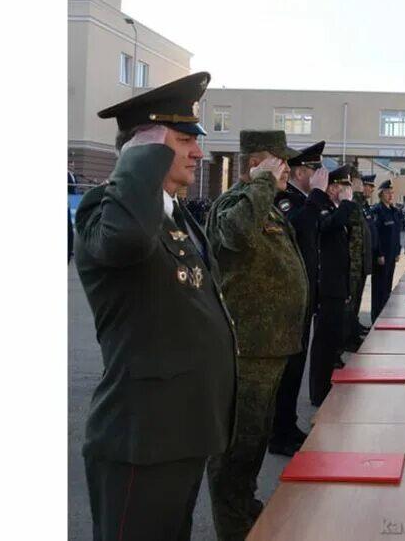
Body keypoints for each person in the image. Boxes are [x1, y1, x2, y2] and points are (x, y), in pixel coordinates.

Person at [74, 72, 237, 541]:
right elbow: (125, 241)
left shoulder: (174, 214)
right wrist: (142, 157)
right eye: (184, 139)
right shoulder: (103, 209)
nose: (199, 152)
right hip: (140, 441)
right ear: (145, 146)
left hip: (181, 431)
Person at [204, 130, 309, 541]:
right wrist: (264, 182)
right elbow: (236, 234)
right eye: (280, 162)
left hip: (269, 349)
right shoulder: (235, 203)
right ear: (255, 165)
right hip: (248, 349)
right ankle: (234, 527)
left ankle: (245, 515)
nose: (289, 169)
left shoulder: (265, 205)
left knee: (253, 444)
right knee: (236, 451)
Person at [269, 141, 330, 457]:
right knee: (289, 367)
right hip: (289, 299)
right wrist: (318, 197)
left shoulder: (306, 200)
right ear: (301, 171)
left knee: (297, 366)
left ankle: (288, 425)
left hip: (305, 294)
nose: (321, 177)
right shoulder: (285, 199)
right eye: (316, 170)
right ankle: (279, 433)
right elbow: (294, 229)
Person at [309, 165, 357, 406]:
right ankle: (318, 392)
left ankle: (325, 386)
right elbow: (328, 227)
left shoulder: (336, 210)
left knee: (332, 341)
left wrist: (347, 289)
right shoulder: (322, 208)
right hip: (326, 287)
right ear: (331, 188)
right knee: (323, 342)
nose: (345, 191)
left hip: (337, 285)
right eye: (340, 186)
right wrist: (346, 205)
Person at [343, 168, 375, 355]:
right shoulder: (352, 203)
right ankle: (345, 340)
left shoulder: (360, 204)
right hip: (352, 263)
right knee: (349, 305)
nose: (363, 186)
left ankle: (352, 334)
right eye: (360, 183)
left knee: (355, 303)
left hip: (360, 261)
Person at [372, 180, 402, 319]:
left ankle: (384, 316)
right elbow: (376, 234)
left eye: (392, 193)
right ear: (381, 194)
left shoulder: (394, 211)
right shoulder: (378, 211)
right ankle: (376, 317)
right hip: (382, 256)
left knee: (387, 287)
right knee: (379, 288)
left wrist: (397, 251)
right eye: (387, 193)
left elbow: (396, 233)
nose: (390, 195)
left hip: (391, 255)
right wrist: (379, 253)